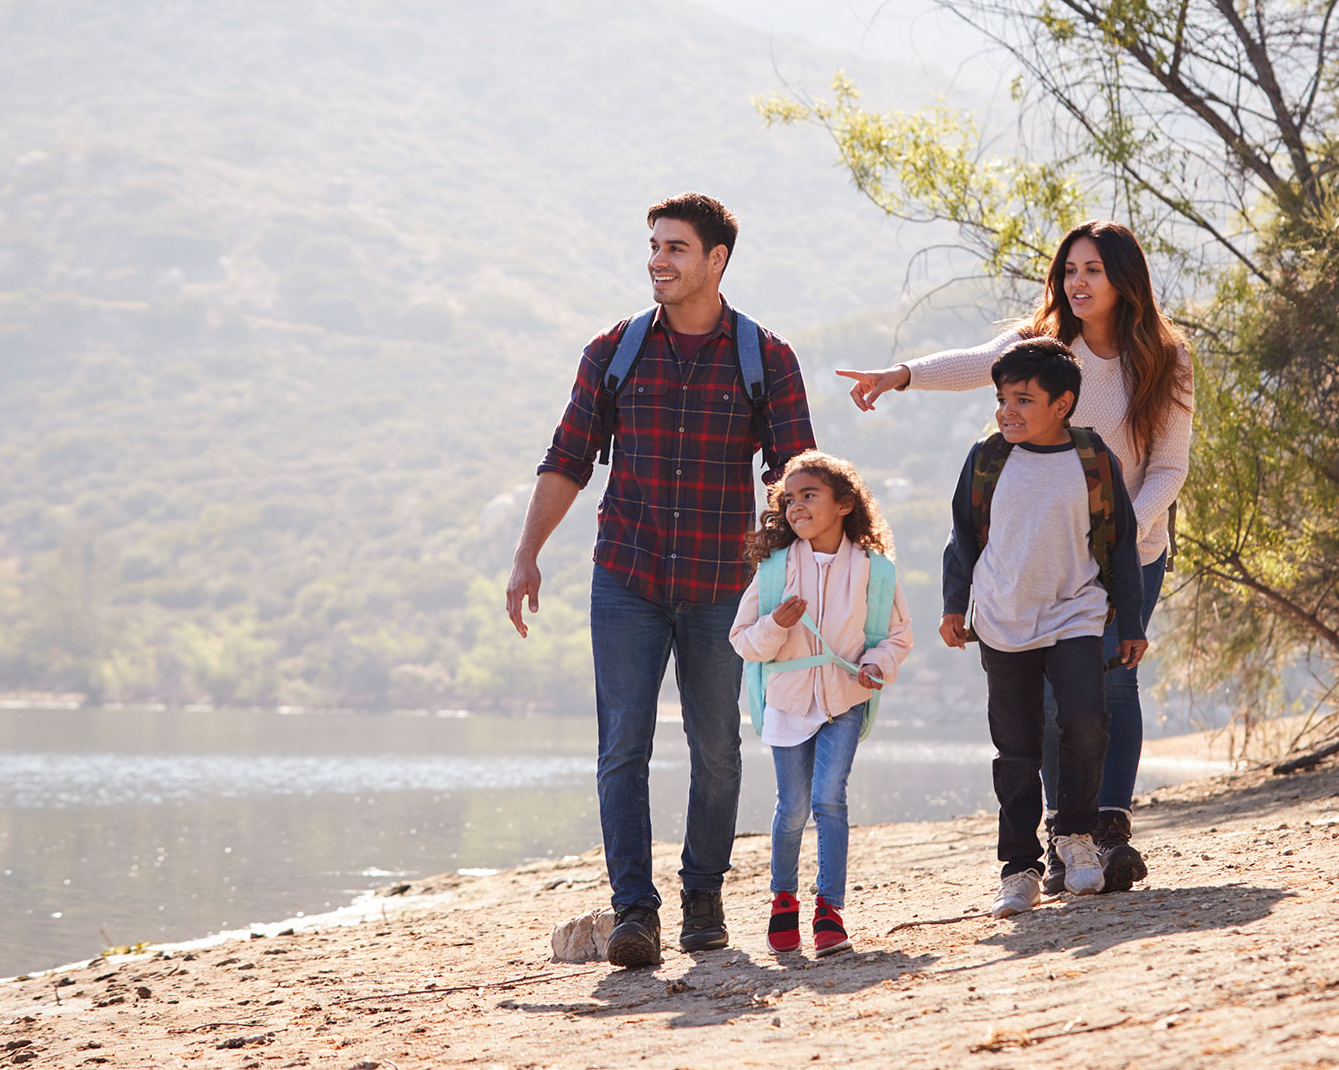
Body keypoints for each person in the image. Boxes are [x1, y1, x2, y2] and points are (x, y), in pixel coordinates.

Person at [507, 193, 816, 968]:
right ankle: (633, 913)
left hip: (722, 584)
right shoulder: (615, 351)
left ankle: (703, 900)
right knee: (622, 747)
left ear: (715, 260)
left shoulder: (765, 359)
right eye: (653, 246)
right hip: (627, 578)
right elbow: (569, 459)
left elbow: (795, 477)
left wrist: (805, 572)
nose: (658, 260)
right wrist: (526, 554)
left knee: (716, 748)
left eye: (675, 247)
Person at [838, 220, 1191, 894]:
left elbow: (1169, 468)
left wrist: (1115, 536)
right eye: (1069, 270)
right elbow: (976, 363)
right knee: (1057, 698)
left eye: (1092, 270)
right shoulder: (1044, 343)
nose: (1077, 282)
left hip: (1130, 549)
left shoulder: (1165, 359)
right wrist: (901, 375)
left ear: (1125, 279)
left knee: (1112, 683)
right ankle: (1064, 837)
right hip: (1039, 556)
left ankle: (1107, 832)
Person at [940, 337, 1146, 916]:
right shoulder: (987, 459)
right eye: (1002, 399)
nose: (1007, 411)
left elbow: (1124, 545)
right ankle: (1019, 867)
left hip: (1075, 611)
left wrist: (1129, 620)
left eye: (1023, 400)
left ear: (1063, 404)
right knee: (1016, 747)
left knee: (1086, 722)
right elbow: (962, 537)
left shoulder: (1093, 459)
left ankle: (1076, 837)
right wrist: (954, 605)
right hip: (1004, 618)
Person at [728, 450, 914, 957]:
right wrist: (777, 626)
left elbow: (898, 635)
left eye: (809, 495)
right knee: (791, 808)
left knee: (829, 799)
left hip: (846, 697)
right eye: (789, 499)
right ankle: (783, 900)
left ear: (845, 504)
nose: (796, 507)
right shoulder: (774, 569)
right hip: (787, 702)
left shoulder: (875, 571)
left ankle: (829, 909)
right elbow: (743, 641)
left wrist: (877, 665)